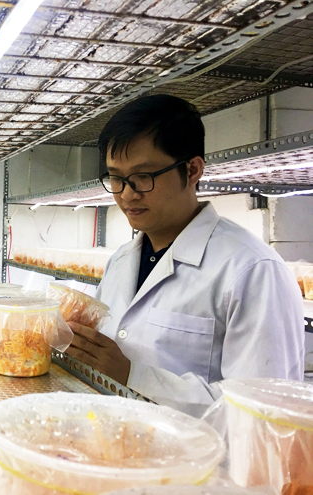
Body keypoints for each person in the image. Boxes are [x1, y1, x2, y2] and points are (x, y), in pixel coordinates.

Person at [65, 94, 304, 415]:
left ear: (192, 170)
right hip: (117, 447)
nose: (126, 194)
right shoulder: (121, 261)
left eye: (143, 177)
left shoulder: (252, 270)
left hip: (200, 464)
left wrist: (132, 375)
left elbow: (263, 415)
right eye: (116, 178)